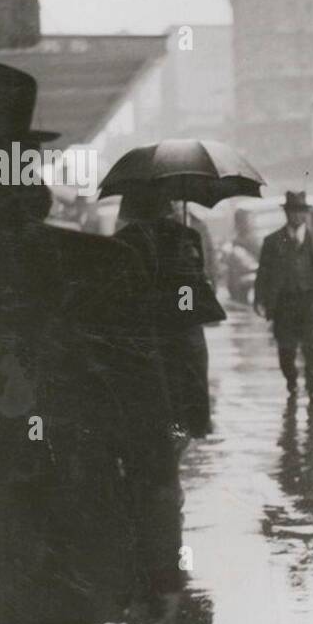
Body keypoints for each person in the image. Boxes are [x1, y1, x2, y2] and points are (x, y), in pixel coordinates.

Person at [0, 64, 181, 624]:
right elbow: (148, 442)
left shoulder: (99, 270)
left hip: (47, 554)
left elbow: (148, 437)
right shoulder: (98, 269)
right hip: (59, 556)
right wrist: (157, 569)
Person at [115, 183, 225, 442]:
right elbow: (194, 283)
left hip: (143, 333)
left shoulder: (122, 241)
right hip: (181, 331)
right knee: (187, 397)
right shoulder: (186, 236)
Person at [254, 190, 313, 403]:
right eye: (293, 212)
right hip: (284, 304)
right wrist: (259, 299)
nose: (297, 216)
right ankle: (291, 381)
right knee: (286, 348)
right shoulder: (272, 241)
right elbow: (263, 272)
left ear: (306, 214)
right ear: (286, 214)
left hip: (311, 301)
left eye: (301, 212)